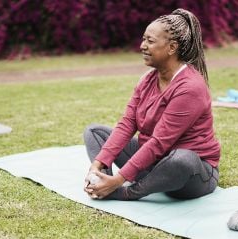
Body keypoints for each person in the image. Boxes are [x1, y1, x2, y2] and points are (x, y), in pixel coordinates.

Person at [83, 9, 220, 201]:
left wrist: (121, 180)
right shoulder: (147, 79)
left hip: (190, 176)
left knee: (182, 159)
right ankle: (101, 181)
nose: (142, 46)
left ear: (172, 47)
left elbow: (159, 142)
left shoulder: (190, 87)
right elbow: (127, 124)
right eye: (143, 39)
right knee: (94, 133)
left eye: (150, 41)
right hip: (153, 164)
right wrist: (98, 164)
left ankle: (125, 192)